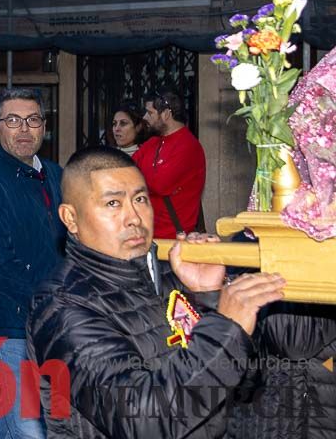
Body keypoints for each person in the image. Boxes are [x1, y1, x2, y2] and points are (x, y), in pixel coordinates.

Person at [28, 146, 287, 438]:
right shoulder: (62, 307)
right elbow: (143, 419)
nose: (134, 217)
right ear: (70, 218)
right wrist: (226, 328)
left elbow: (243, 387)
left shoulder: (171, 276)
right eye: (113, 203)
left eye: (140, 199)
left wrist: (209, 297)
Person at [0, 87, 64, 439]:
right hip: (12, 329)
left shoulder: (54, 174)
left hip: (57, 328)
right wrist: (56, 304)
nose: (24, 129)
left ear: (44, 126)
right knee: (26, 430)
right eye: (13, 120)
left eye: (33, 120)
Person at [132, 89, 207, 239]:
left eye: (150, 113)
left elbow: (160, 184)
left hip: (174, 240)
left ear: (166, 114)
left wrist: (137, 177)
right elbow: (126, 170)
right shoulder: (152, 143)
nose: (145, 117)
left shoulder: (188, 146)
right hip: (145, 235)